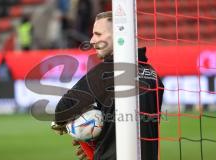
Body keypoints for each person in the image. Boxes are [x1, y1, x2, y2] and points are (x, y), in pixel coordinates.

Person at [52, 11, 164, 160]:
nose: (92, 40)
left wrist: (67, 126)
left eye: (98, 34)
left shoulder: (105, 72)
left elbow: (62, 109)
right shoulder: (153, 76)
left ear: (119, 35)